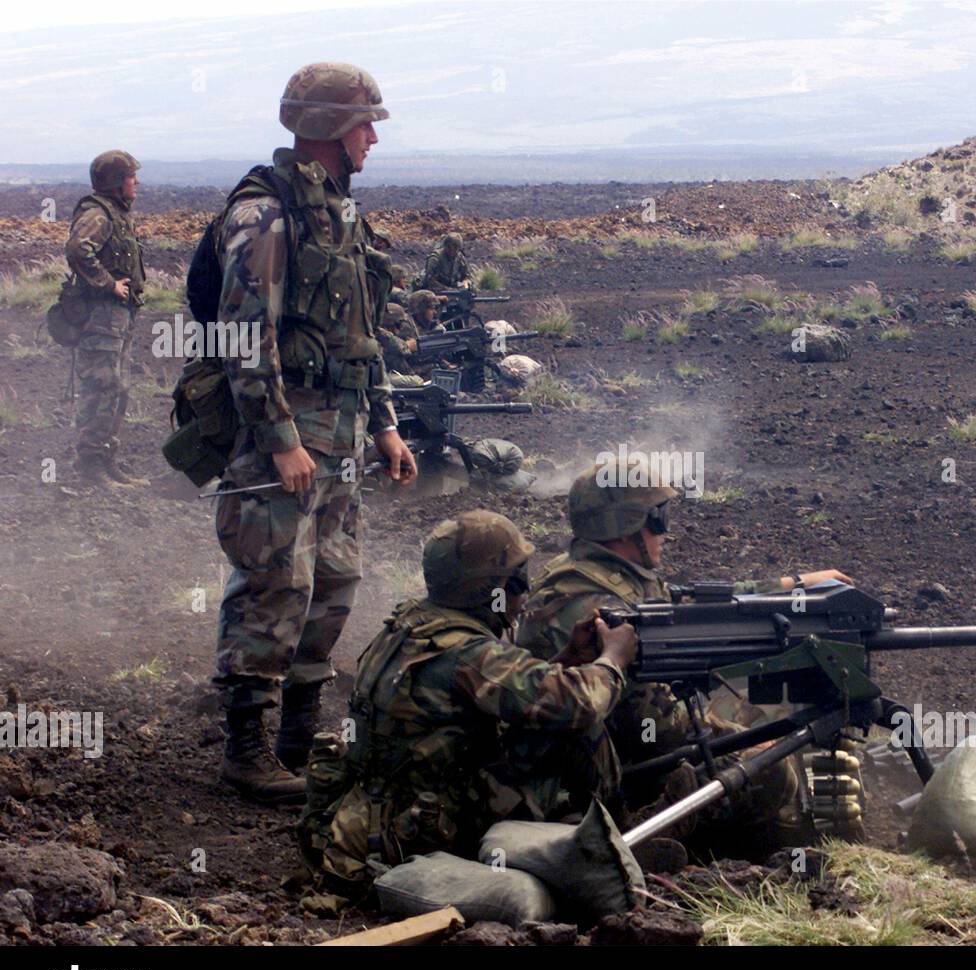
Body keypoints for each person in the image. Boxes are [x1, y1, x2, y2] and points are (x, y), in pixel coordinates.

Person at [209, 61, 417, 804]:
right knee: (275, 583)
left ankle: (296, 741)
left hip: (345, 435)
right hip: (290, 439)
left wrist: (387, 424)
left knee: (333, 583)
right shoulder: (265, 215)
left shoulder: (340, 214)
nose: (372, 139)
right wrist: (278, 438)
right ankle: (246, 749)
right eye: (365, 125)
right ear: (329, 127)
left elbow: (359, 334)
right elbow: (244, 335)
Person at [297, 510, 638, 892]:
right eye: (516, 582)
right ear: (487, 592)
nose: (522, 594)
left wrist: (568, 661)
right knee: (577, 728)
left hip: (380, 811)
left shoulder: (413, 626)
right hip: (424, 827)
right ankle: (619, 843)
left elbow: (507, 696)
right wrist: (613, 659)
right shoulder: (468, 654)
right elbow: (580, 704)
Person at [515, 462, 856, 843]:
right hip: (608, 780)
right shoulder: (599, 609)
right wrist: (735, 734)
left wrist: (787, 587)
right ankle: (756, 858)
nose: (666, 531)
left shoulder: (590, 572)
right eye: (657, 519)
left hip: (606, 749)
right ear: (624, 526)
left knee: (767, 711)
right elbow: (651, 730)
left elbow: (685, 604)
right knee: (772, 767)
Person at [64, 150, 148, 488]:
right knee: (101, 387)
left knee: (118, 388)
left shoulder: (116, 213)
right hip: (101, 317)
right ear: (116, 182)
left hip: (117, 318)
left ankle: (106, 461)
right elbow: (76, 250)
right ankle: (89, 468)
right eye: (130, 176)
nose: (136, 182)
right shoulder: (98, 214)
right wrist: (108, 283)